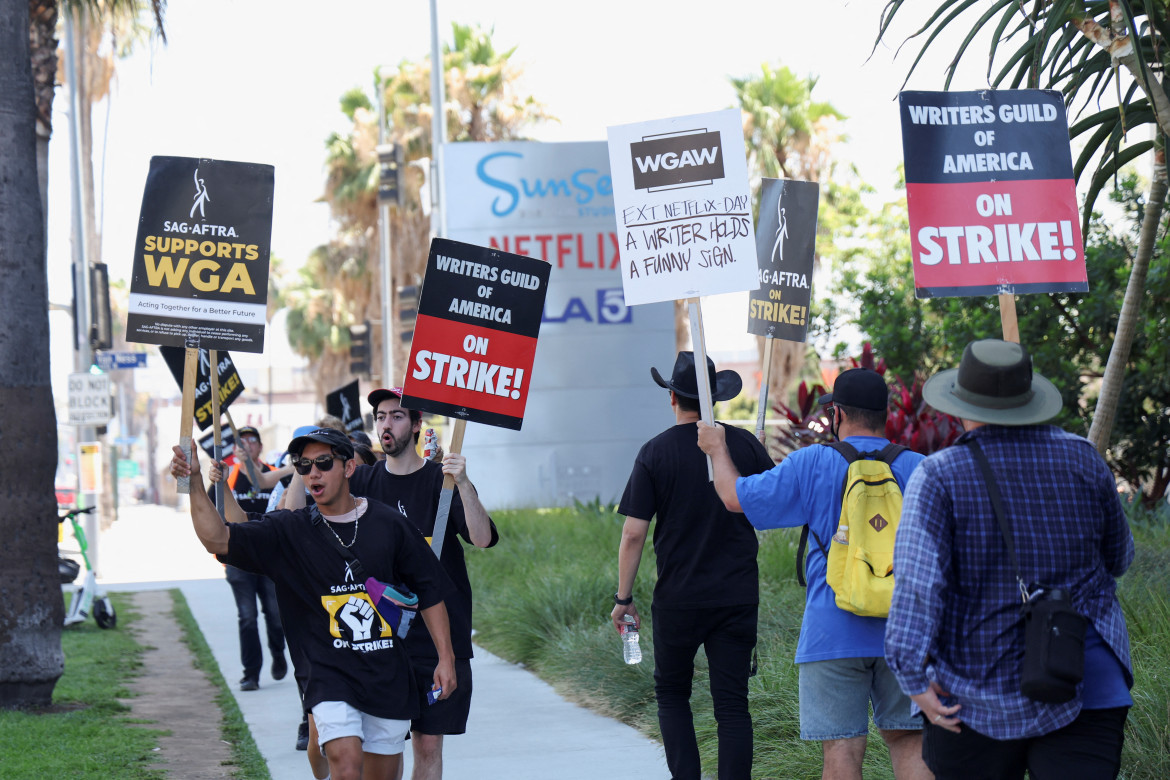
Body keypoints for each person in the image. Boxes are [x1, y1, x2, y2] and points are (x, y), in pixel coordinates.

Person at [884, 339, 1134, 779]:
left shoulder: (940, 475)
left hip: (975, 690)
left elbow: (918, 586)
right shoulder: (1083, 458)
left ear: (958, 404)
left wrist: (912, 677)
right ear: (1029, 398)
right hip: (1083, 673)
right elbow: (1119, 558)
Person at [178, 427, 457, 780]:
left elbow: (430, 589)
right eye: (304, 464)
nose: (313, 472)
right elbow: (218, 539)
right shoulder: (289, 530)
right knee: (344, 761)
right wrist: (193, 482)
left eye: (324, 463)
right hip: (328, 674)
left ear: (349, 468)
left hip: (387, 673)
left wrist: (445, 659)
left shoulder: (388, 523)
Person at [697, 366, 931, 780]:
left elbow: (735, 498)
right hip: (907, 631)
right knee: (910, 745)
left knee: (841, 750)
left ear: (837, 414)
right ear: (887, 414)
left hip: (832, 631)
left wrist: (718, 448)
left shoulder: (812, 463)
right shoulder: (920, 468)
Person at [287, 387, 498, 780]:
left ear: (417, 425)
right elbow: (297, 516)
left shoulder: (443, 481)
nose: (386, 423)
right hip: (377, 637)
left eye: (397, 415)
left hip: (436, 636)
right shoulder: (360, 479)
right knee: (374, 745)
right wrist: (306, 460)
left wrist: (464, 482)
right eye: (381, 416)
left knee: (429, 744)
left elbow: (483, 538)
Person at [612, 352, 773, 780]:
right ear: (715, 398)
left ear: (672, 397)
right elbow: (770, 508)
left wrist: (623, 598)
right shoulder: (744, 445)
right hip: (737, 596)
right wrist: (752, 453)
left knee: (671, 695)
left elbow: (633, 534)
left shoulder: (654, 452)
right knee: (732, 704)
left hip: (679, 598)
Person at [213, 425, 287, 692]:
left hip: (270, 559)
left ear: (260, 446)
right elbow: (213, 513)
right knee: (247, 616)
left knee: (276, 615)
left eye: (251, 441)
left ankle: (278, 652)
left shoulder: (273, 474)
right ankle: (251, 674)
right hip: (239, 559)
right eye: (240, 441)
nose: (246, 445)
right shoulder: (227, 476)